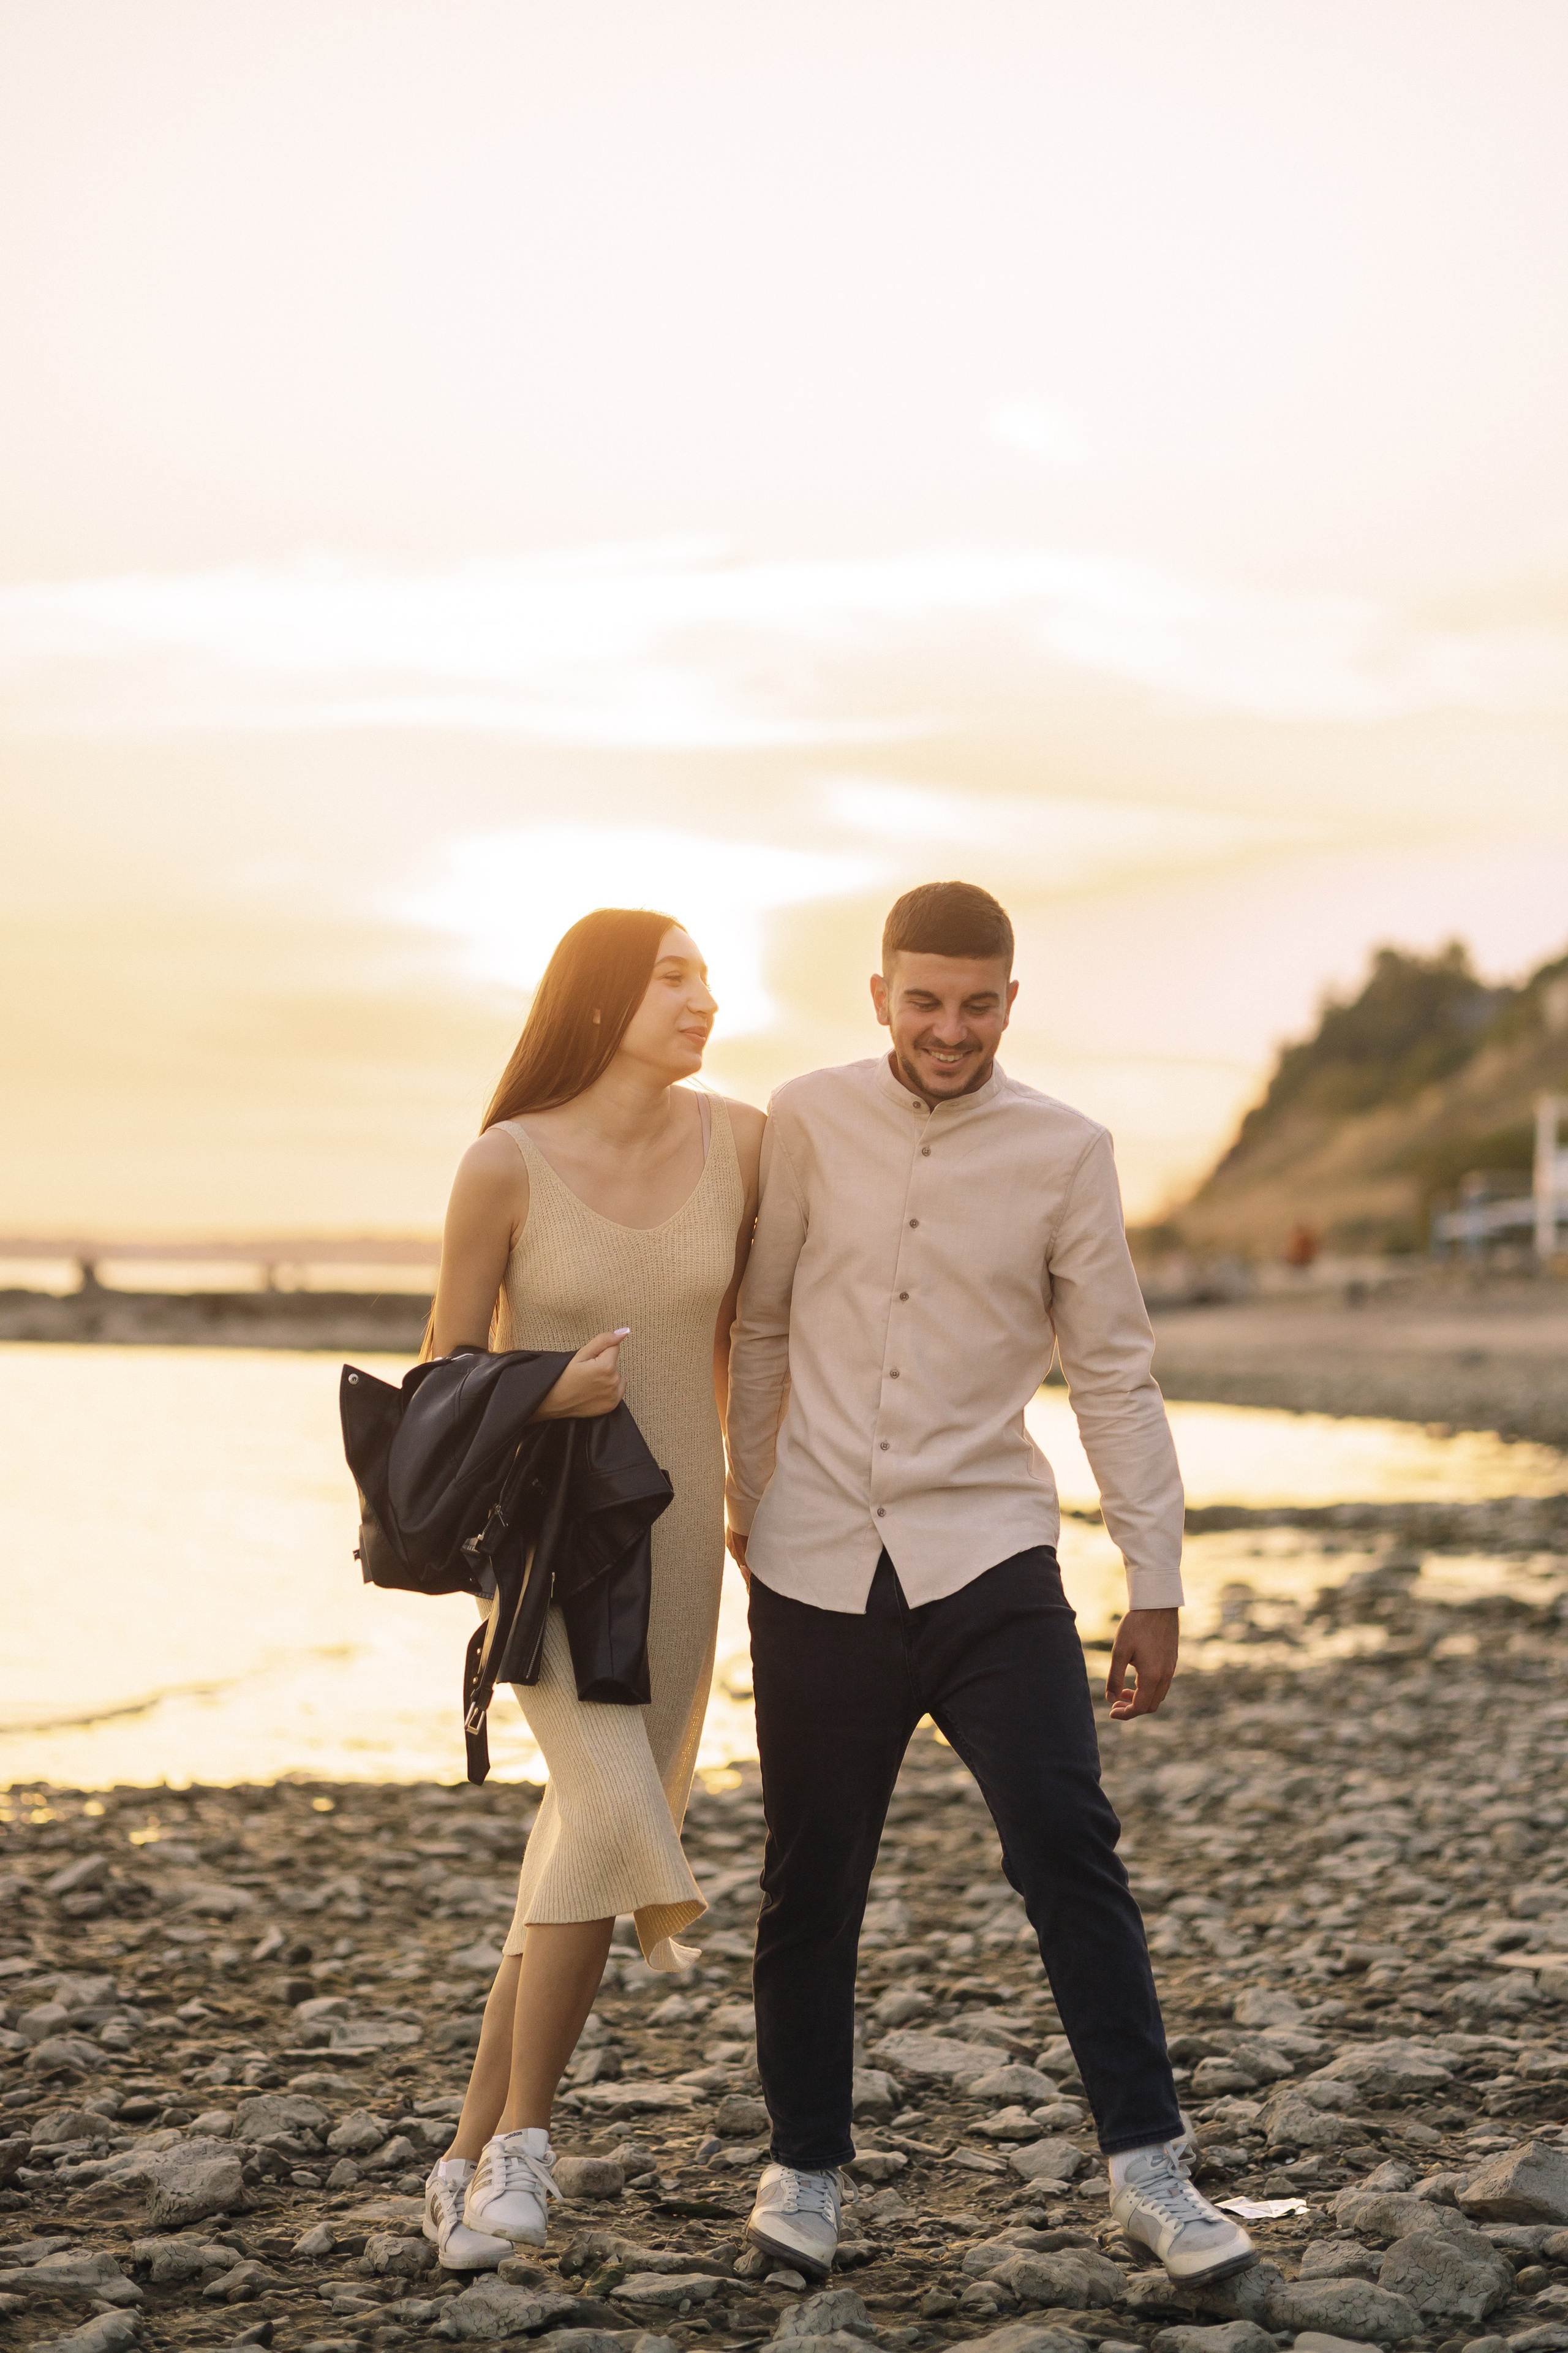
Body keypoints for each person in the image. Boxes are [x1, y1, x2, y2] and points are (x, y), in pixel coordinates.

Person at [725, 880, 1256, 2289]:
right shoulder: (804, 1119)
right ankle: (806, 2166)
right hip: (815, 1559)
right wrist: (747, 1495)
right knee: (808, 1876)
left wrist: (1154, 1580)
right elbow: (763, 1319)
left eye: (973, 1003)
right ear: (881, 995)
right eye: (922, 1000)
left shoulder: (1064, 1150)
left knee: (1064, 1842)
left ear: (1008, 1003)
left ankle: (1149, 2168)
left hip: (990, 1560)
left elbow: (1112, 1372)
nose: (946, 1027)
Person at [416, 907, 764, 2268]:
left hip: (682, 1557)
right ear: (601, 996)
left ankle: (456, 2160)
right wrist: (548, 1385)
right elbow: (443, 1376)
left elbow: (766, 1329)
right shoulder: (503, 1165)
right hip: (552, 1548)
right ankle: (524, 2152)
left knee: (575, 1844)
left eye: (707, 977)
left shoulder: (744, 1141)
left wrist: (760, 1489)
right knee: (615, 1812)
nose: (702, 999)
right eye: (673, 977)